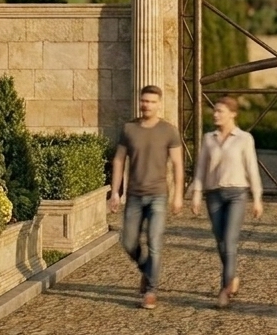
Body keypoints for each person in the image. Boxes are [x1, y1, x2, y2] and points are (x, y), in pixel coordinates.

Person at [109, 85, 184, 310]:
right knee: (128, 242)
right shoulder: (129, 129)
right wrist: (115, 191)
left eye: (151, 102)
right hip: (134, 196)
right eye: (144, 101)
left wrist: (178, 194)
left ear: (159, 104)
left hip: (158, 195)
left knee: (154, 242)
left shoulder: (168, 130)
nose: (146, 105)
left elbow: (178, 164)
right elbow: (119, 161)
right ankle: (146, 268)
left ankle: (151, 291)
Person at [190, 96, 264, 309]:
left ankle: (225, 289)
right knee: (221, 242)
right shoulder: (208, 138)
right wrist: (196, 193)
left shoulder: (244, 138)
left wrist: (257, 198)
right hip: (213, 195)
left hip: (236, 194)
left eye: (220, 111)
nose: (215, 114)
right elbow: (201, 168)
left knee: (230, 241)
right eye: (214, 110)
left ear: (232, 114)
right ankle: (233, 277)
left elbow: (252, 168)